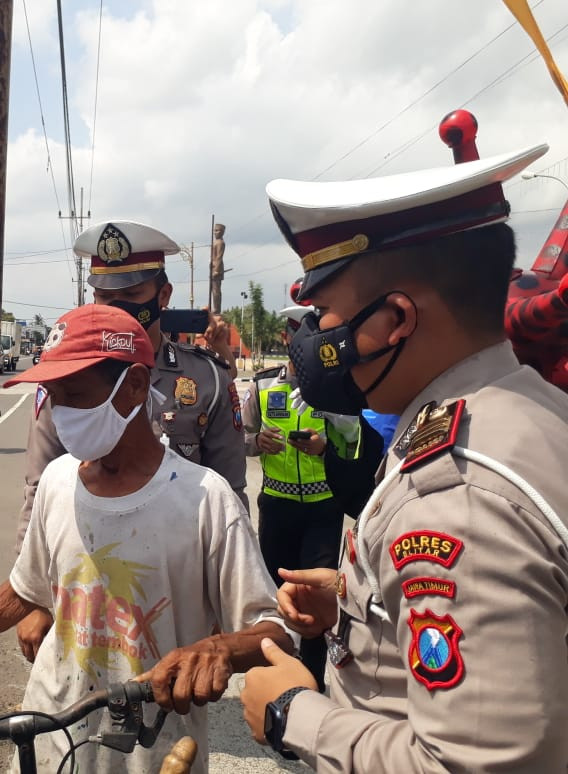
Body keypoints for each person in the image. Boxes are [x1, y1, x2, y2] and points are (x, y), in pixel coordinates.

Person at [152, 142, 568, 771]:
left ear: (396, 319)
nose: (312, 341)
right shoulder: (522, 407)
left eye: (324, 316)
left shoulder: (456, 497)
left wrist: (294, 711)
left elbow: (473, 764)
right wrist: (363, 600)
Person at [0, 304, 293, 774]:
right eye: (52, 396)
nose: (60, 413)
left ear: (136, 387)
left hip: (155, 751)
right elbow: (24, 590)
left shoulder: (205, 500)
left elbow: (273, 633)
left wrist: (218, 649)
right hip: (49, 736)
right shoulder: (58, 481)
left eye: (76, 395)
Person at [16, 220, 249, 661]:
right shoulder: (68, 376)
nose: (116, 309)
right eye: (104, 298)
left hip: (172, 579)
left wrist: (223, 594)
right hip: (85, 573)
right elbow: (38, 489)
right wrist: (33, 599)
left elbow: (231, 494)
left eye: (130, 297)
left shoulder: (207, 379)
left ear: (163, 296)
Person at [241, 304, 361, 692]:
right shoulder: (261, 386)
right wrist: (256, 442)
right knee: (276, 595)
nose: (301, 347)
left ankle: (313, 680)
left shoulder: (337, 388)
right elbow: (240, 439)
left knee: (314, 597)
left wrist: (327, 445)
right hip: (277, 508)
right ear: (286, 340)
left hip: (324, 510)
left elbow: (356, 444)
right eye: (296, 339)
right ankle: (279, 674)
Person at [210, 222, 226, 314]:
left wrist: (216, 270)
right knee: (213, 290)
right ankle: (215, 307)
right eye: (214, 230)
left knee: (216, 290)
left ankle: (217, 309)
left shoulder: (220, 243)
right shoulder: (215, 242)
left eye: (217, 230)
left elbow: (219, 257)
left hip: (217, 269)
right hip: (213, 267)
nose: (215, 232)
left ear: (222, 232)